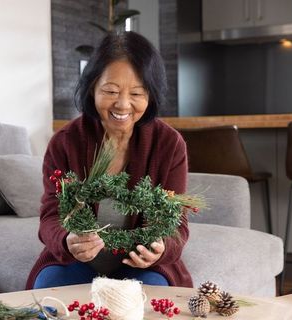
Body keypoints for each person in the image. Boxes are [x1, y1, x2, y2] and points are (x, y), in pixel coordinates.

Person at [26, 31, 192, 290]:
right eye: (111, 91)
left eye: (137, 94)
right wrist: (66, 239)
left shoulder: (169, 144)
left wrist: (161, 248)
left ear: (151, 95)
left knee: (152, 298)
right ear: (92, 87)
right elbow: (50, 216)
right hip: (74, 263)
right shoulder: (65, 142)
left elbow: (176, 223)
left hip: (142, 265)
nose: (123, 104)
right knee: (50, 292)